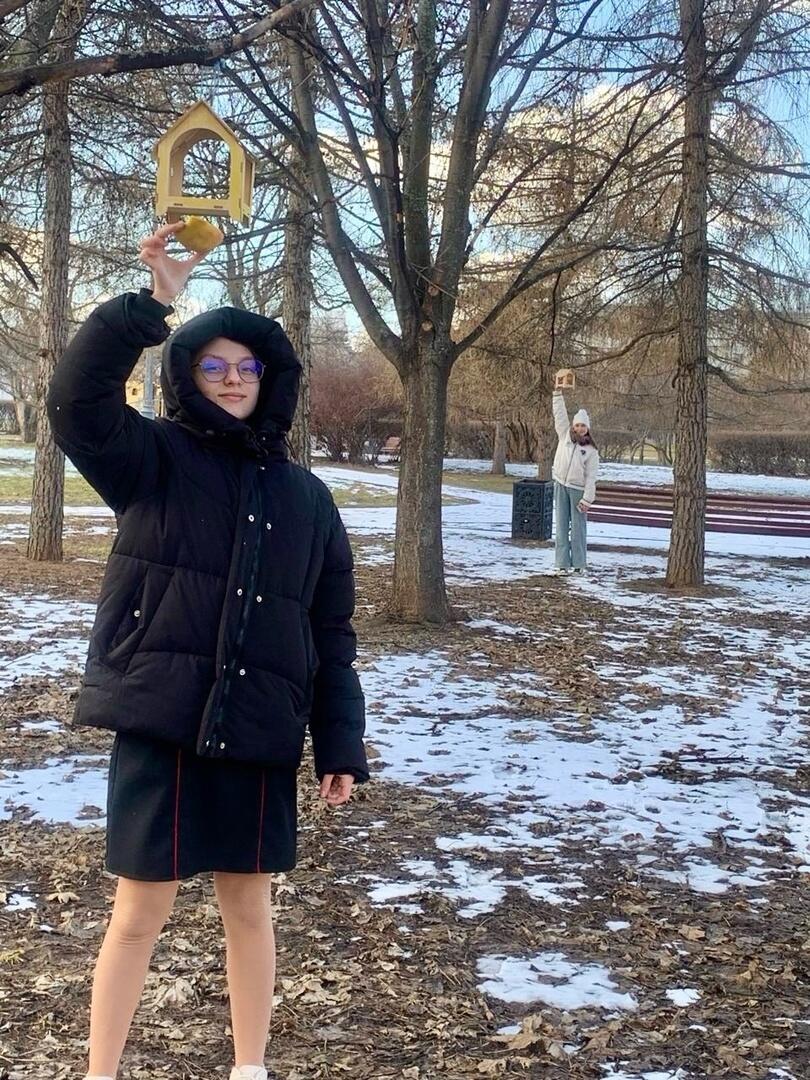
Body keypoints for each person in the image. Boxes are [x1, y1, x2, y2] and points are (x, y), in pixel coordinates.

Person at [46, 223, 369, 1080]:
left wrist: (339, 741)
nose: (231, 379)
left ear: (270, 380)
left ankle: (249, 1067)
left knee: (250, 910)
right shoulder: (151, 460)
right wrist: (151, 302)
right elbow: (75, 402)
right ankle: (101, 1072)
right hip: (162, 719)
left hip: (259, 727)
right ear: (188, 376)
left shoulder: (308, 499)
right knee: (137, 916)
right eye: (214, 366)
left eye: (247, 367)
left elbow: (330, 631)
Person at [551, 369, 599, 573]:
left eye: (583, 426)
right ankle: (562, 564)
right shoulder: (564, 436)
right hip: (561, 485)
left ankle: (579, 564)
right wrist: (557, 393)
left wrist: (587, 499)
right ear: (573, 426)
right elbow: (560, 415)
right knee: (561, 527)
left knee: (578, 528)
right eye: (577, 425)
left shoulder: (591, 450)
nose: (580, 428)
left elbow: (591, 477)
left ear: (587, 428)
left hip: (578, 490)